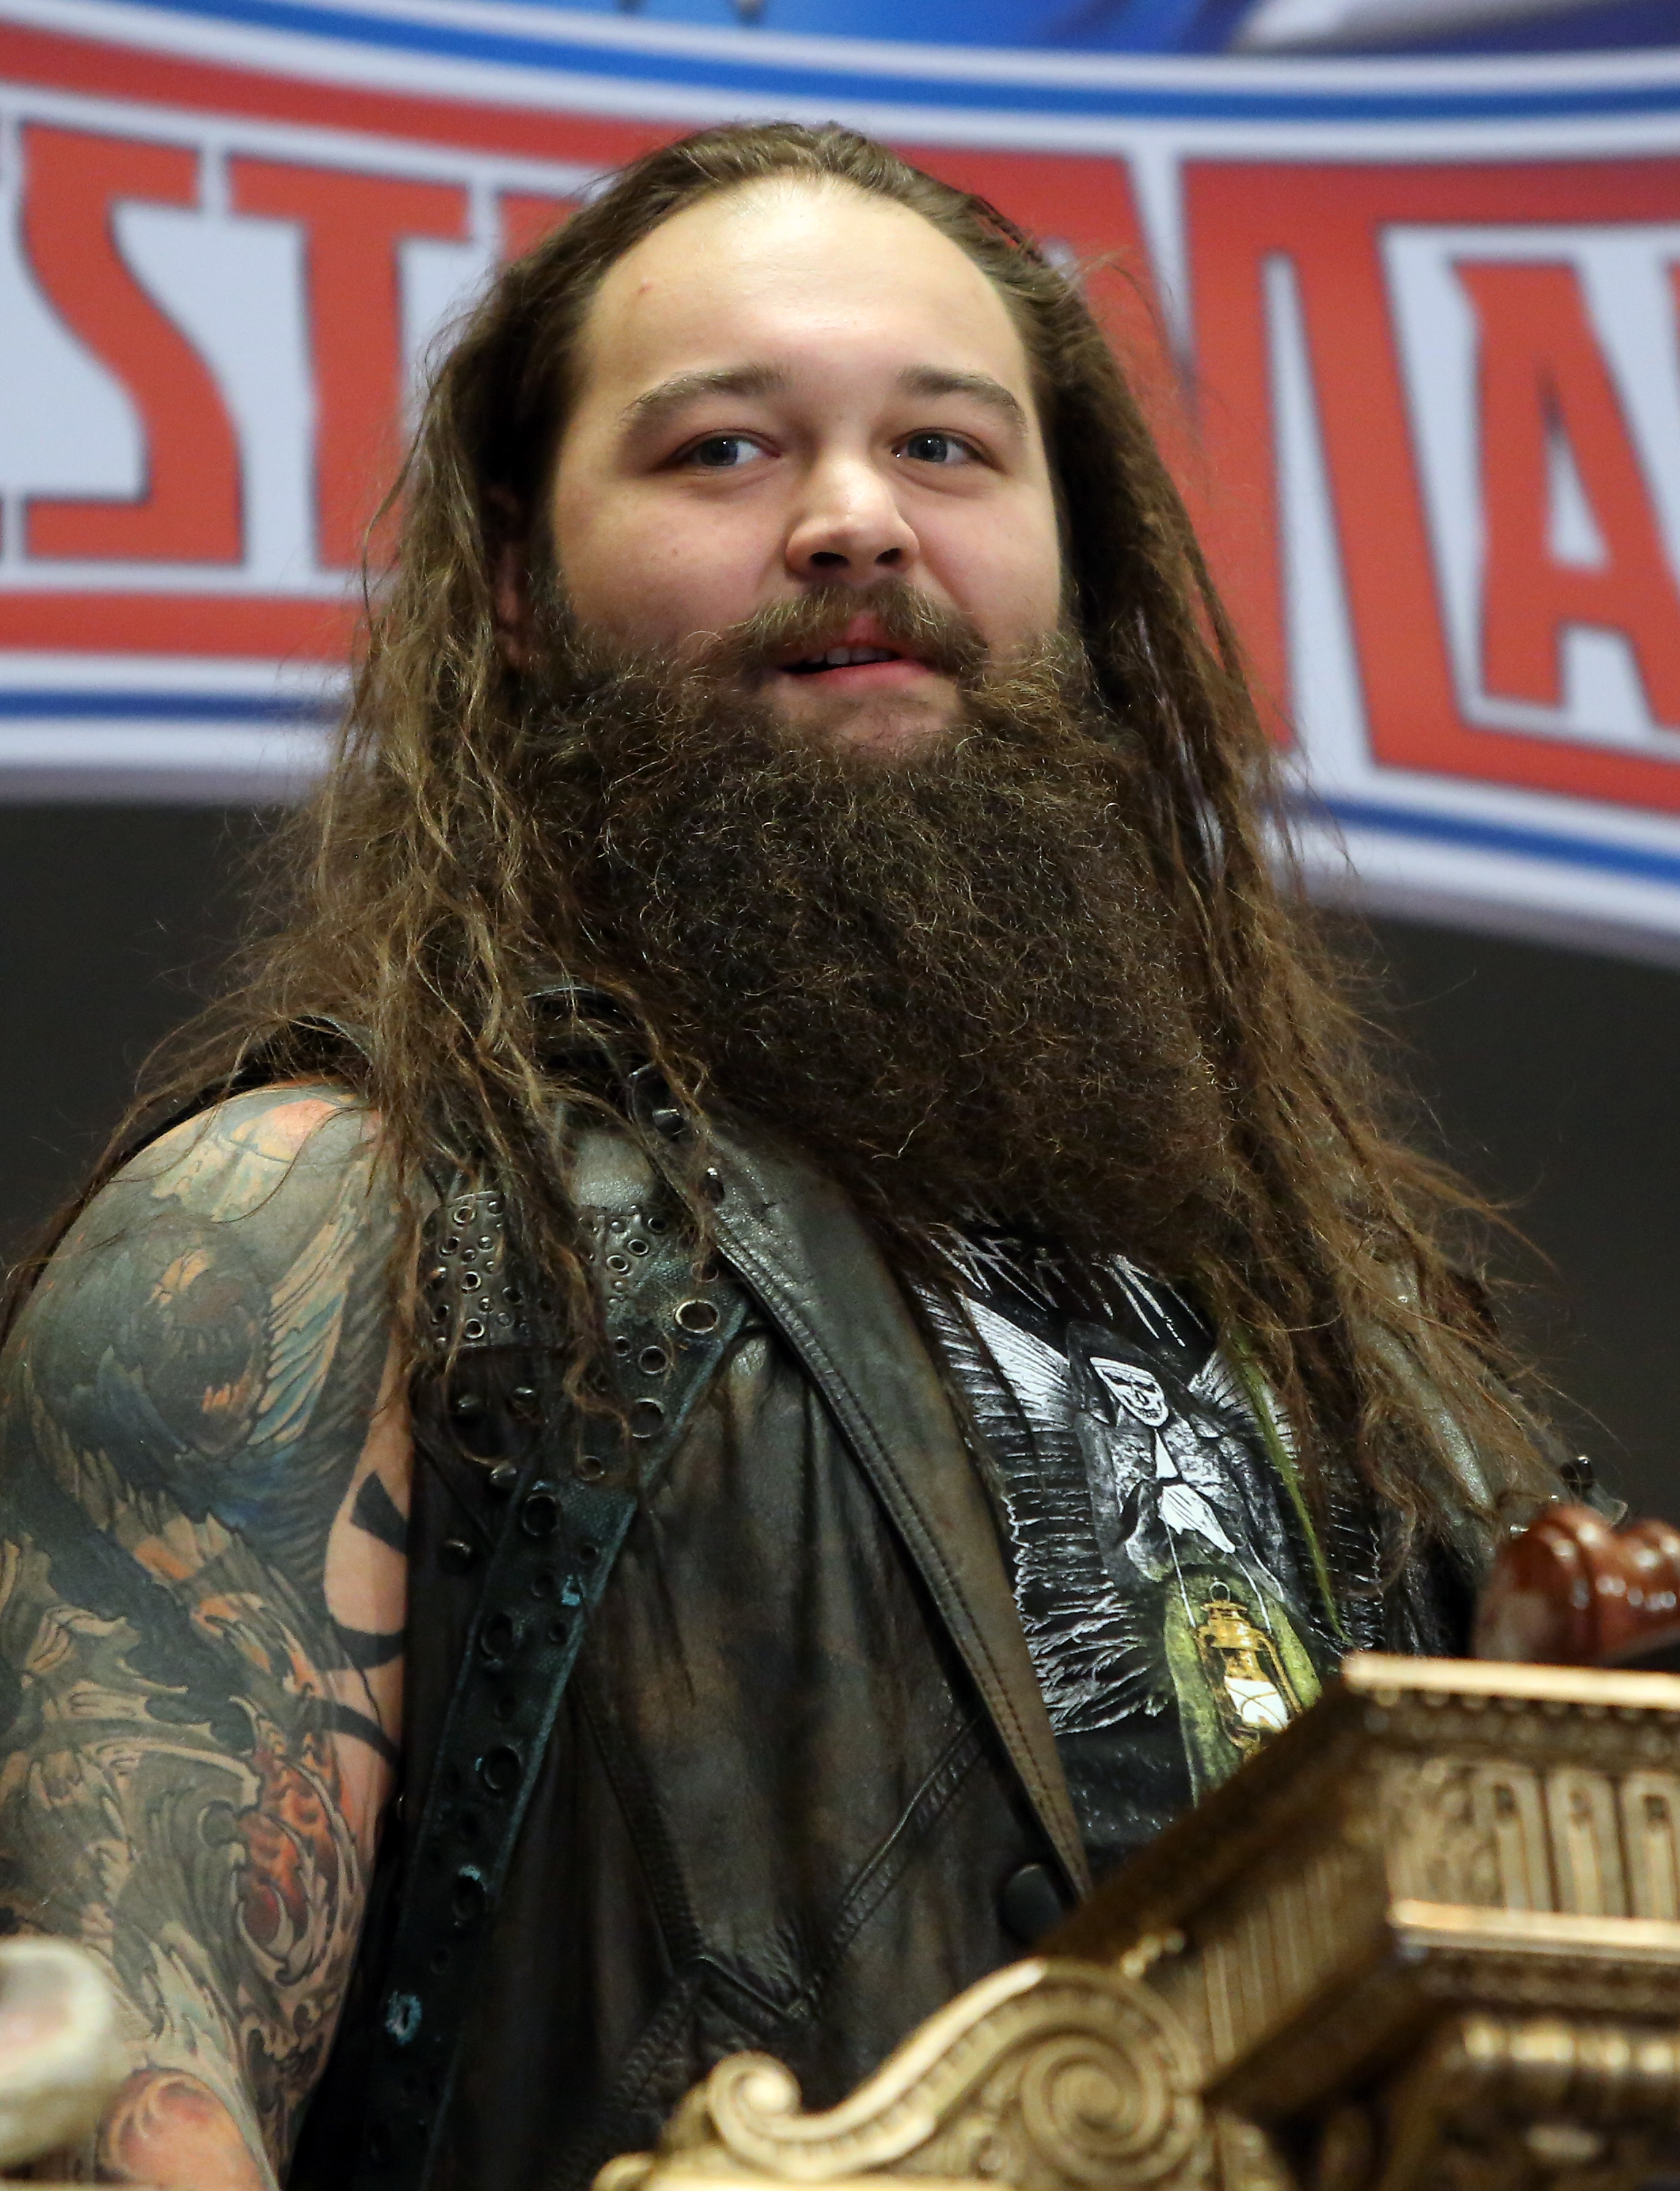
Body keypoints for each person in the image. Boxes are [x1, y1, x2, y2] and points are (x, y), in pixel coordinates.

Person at [0, 123, 1584, 2191]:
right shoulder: (314, 1227)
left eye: (942, 448)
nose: (852, 521)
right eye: (723, 452)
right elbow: (123, 2083)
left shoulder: (1363, 1355)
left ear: (1076, 575)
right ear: (515, 587)